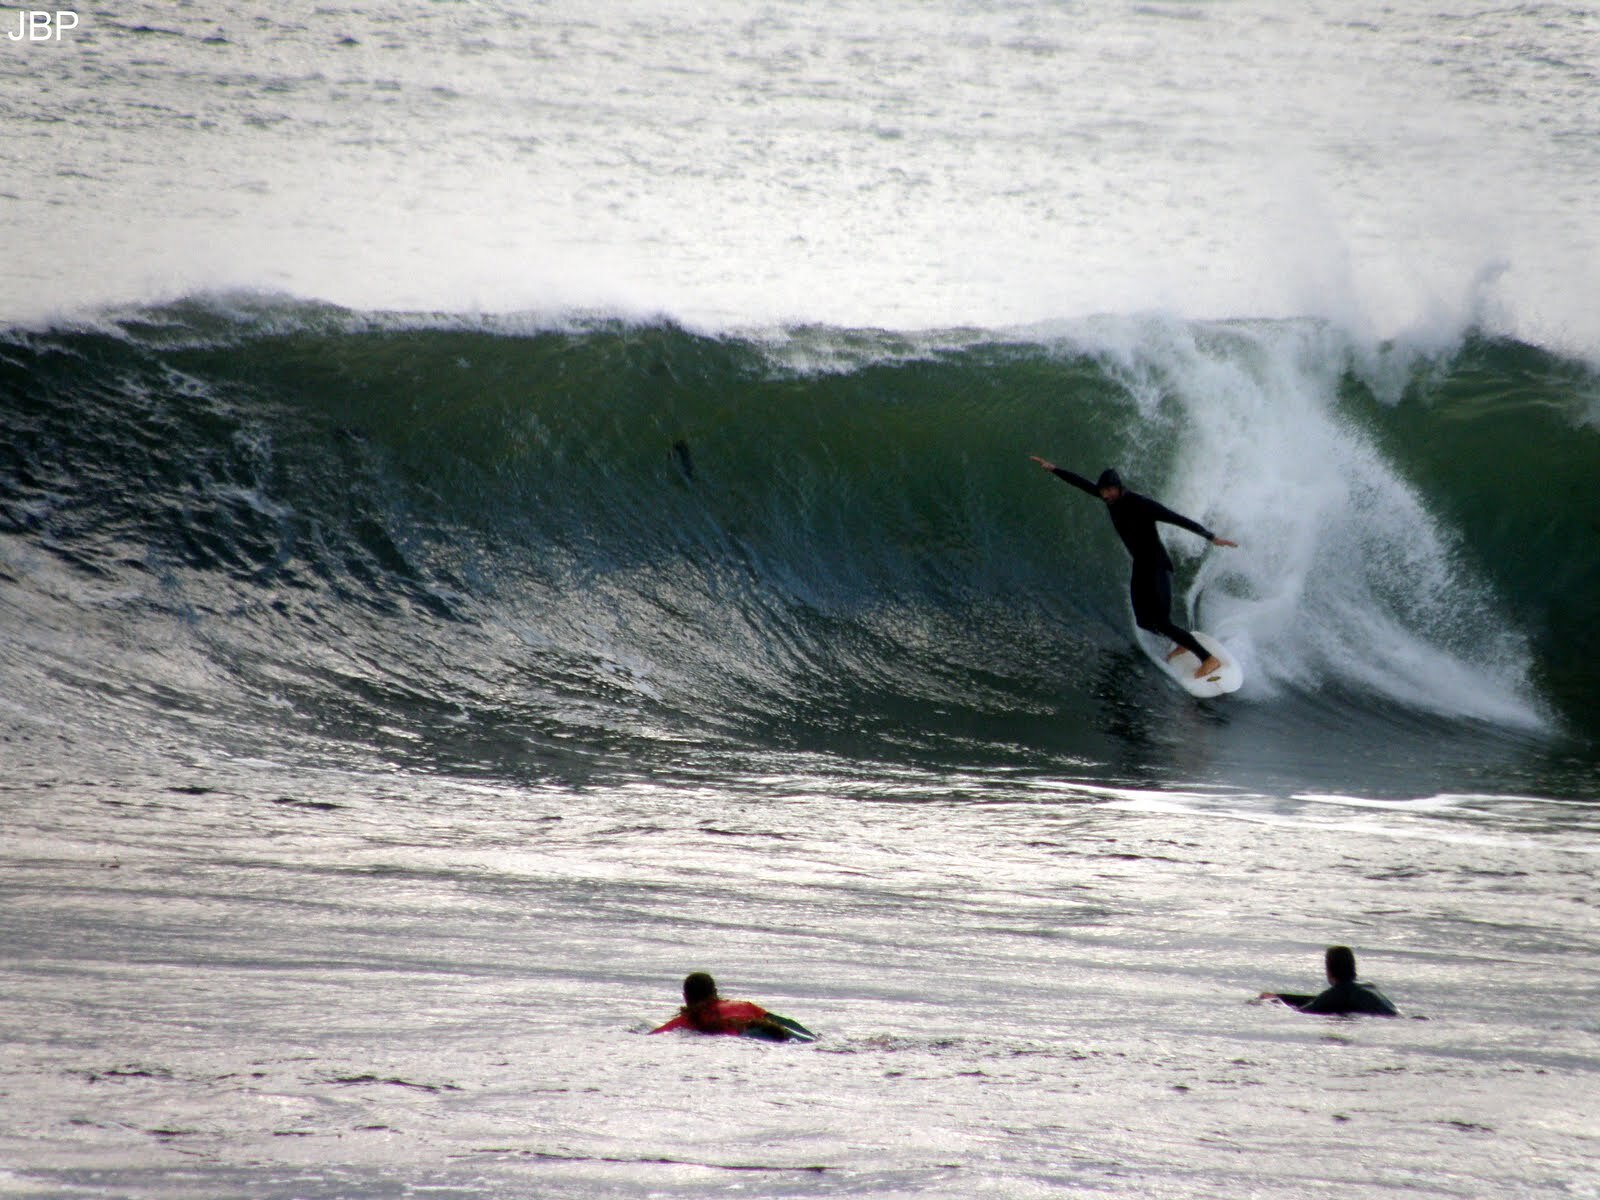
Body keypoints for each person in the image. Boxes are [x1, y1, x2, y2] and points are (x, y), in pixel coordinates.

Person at [1029, 456, 1237, 678]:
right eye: (1103, 491)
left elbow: (1177, 519)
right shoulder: (1110, 500)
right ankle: (1182, 641)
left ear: (1118, 488)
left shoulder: (1141, 504)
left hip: (1158, 565)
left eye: (1109, 490)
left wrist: (1211, 537)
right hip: (1141, 566)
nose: (1105, 495)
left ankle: (1208, 659)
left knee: (1162, 622)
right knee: (1144, 621)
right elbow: (1082, 484)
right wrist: (1054, 469)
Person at [649, 972, 816, 1041]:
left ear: (685, 998)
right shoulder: (745, 1006)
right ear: (715, 992)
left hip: (740, 1039)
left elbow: (654, 1036)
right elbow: (785, 1023)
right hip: (767, 1033)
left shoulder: (687, 1021)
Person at [1259, 945, 1400, 1016]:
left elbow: (1304, 1010)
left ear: (1329, 970)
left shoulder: (1340, 992)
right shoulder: (1368, 987)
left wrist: (1276, 1003)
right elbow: (1321, 999)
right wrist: (1280, 996)